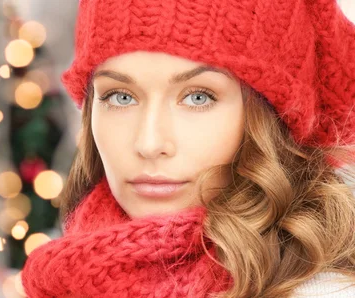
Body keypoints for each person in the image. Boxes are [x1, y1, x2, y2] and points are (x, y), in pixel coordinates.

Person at [21, 0, 355, 297]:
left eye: (198, 97)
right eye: (121, 97)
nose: (149, 143)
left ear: (271, 118)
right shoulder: (67, 276)